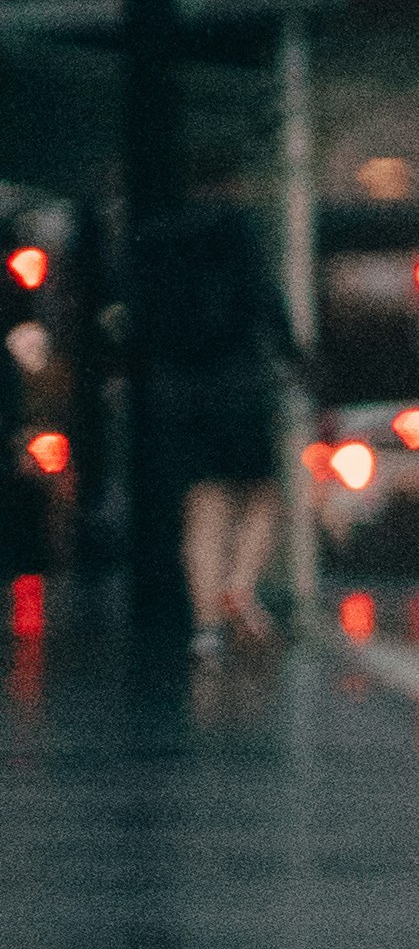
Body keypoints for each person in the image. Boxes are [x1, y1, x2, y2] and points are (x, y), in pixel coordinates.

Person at [127, 175, 303, 656]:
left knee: (204, 504)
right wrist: (294, 364)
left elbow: (140, 328)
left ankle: (206, 629)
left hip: (180, 395)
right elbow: (270, 310)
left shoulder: (164, 247)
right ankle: (240, 583)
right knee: (262, 495)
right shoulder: (240, 237)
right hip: (239, 389)